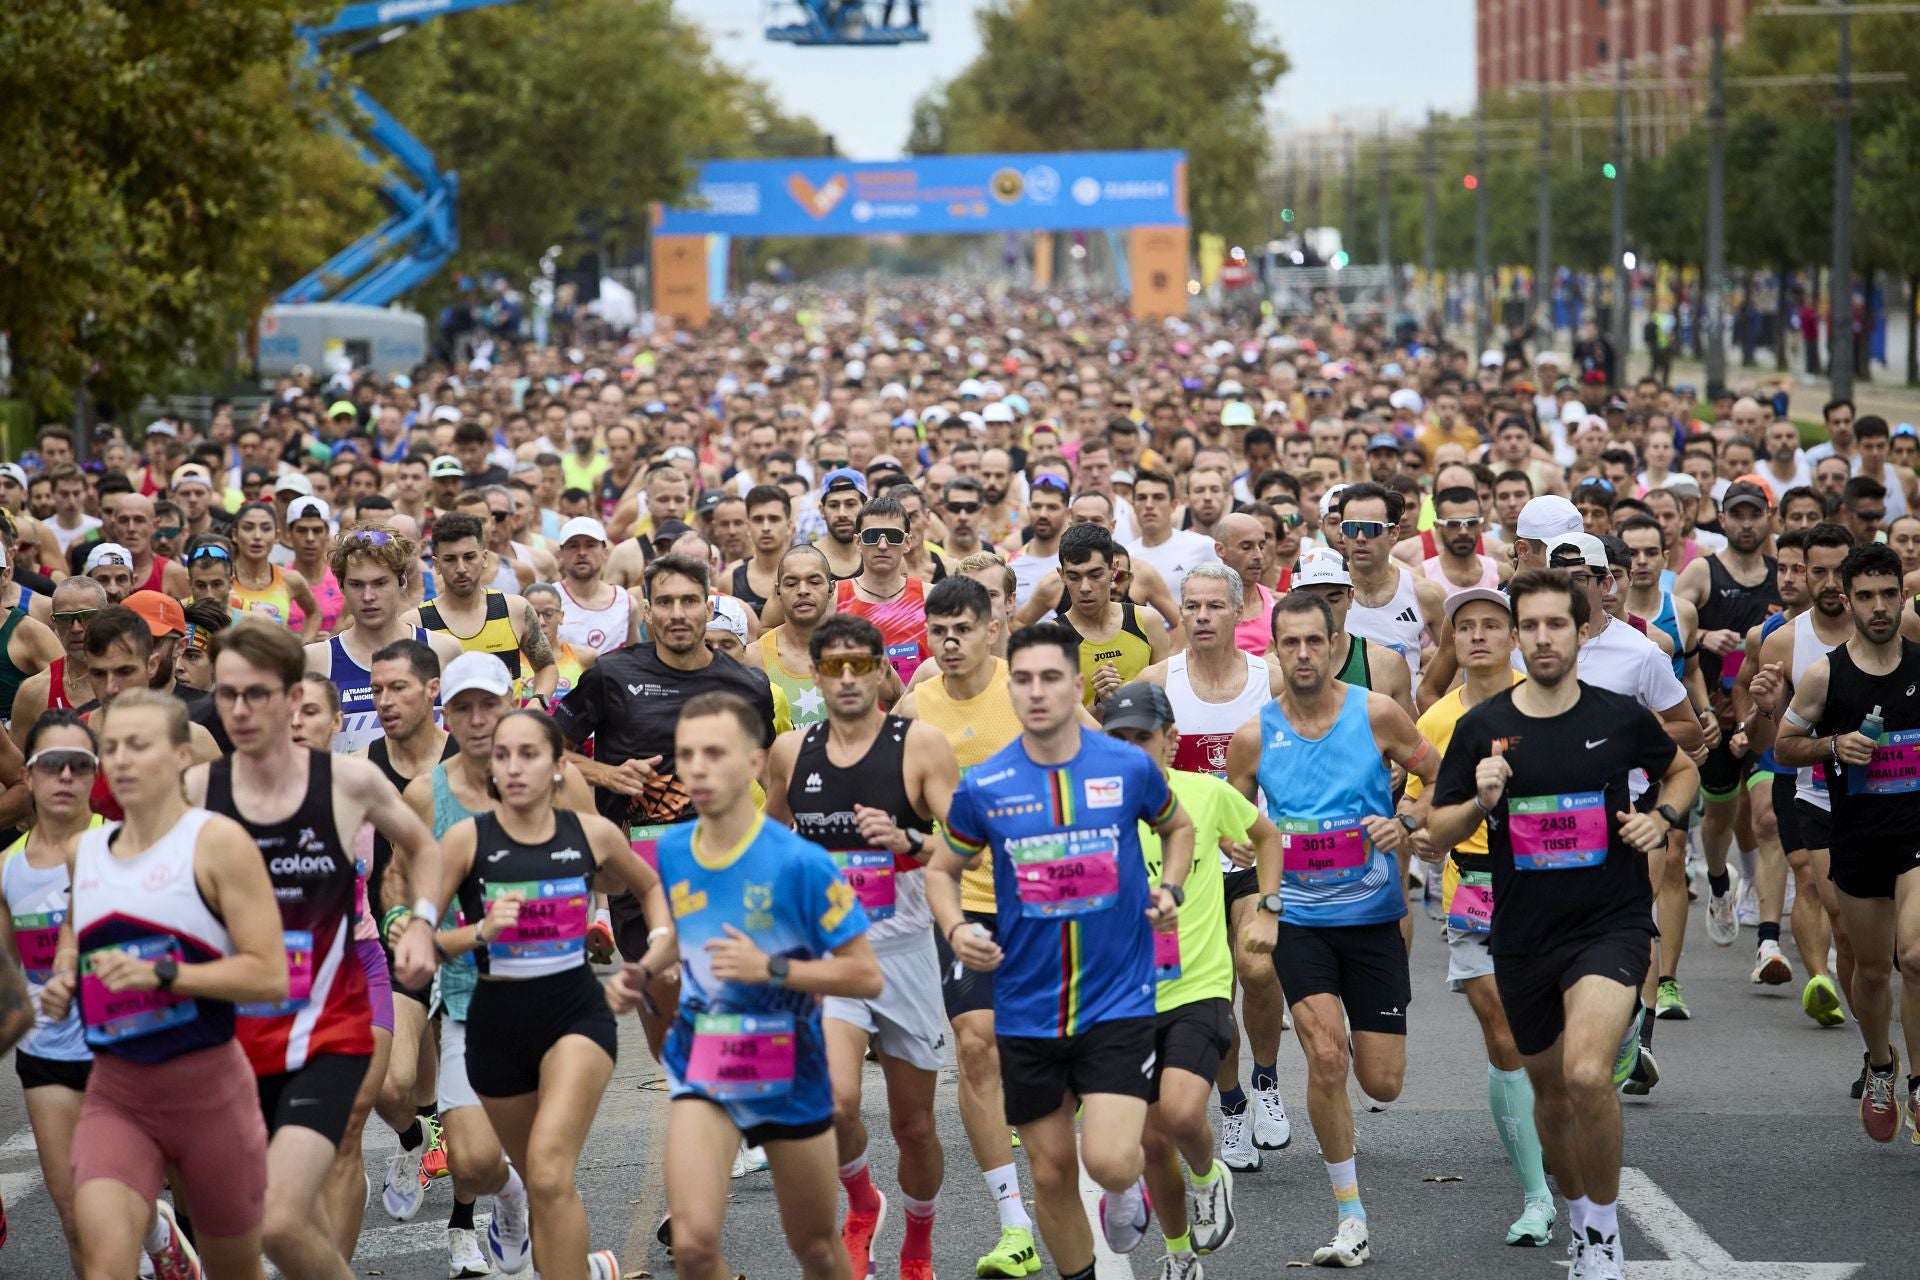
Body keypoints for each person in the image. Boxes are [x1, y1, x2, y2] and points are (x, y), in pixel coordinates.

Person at [1428, 569, 1699, 1280]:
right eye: (1532, 626)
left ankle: (1605, 1236)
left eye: (1558, 624)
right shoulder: (1481, 730)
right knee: (1549, 1092)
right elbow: (1433, 830)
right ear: (1518, 637)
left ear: (1582, 631)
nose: (1544, 638)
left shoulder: (1616, 714)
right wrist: (1479, 801)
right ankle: (1577, 1214)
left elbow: (1682, 770)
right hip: (1521, 933)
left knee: (1585, 1074)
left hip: (1610, 923)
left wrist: (1662, 818)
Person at [926, 621, 1192, 1280]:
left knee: (1107, 1160)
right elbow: (940, 869)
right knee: (1049, 1170)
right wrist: (957, 928)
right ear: (1009, 688)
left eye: (1051, 678)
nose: (1037, 692)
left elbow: (1177, 825)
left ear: (1077, 685)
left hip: (1118, 998)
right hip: (1025, 1006)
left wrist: (1172, 887)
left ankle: (1127, 1187)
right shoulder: (984, 785)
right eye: (1023, 679)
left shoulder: (1127, 764)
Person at [187, 620, 445, 1280]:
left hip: (344, 987)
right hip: (241, 1000)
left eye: (259, 695)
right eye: (226, 695)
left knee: (344, 1138)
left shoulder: (351, 784)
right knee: (236, 1193)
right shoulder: (197, 792)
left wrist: (418, 923)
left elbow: (423, 846)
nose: (240, 711)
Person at [44, 690, 288, 1280]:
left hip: (210, 1095)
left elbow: (269, 973)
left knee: (236, 1269)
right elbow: (78, 933)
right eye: (111, 748)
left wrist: (167, 974)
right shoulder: (84, 850)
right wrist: (63, 974)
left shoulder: (218, 844)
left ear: (182, 755)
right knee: (104, 1262)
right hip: (117, 1094)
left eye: (139, 745)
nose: (121, 760)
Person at [1226, 590, 1434, 1267]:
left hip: (1372, 919)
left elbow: (1440, 779)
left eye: (1315, 641)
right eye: (1291, 644)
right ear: (1276, 651)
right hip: (1301, 920)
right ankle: (1351, 1214)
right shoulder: (1255, 734)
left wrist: (1403, 820)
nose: (1304, 654)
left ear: (1335, 642)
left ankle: (1347, 1053)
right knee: (1325, 1057)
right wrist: (1243, 851)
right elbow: (1237, 818)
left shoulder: (1376, 714)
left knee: (1382, 1082)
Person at [655, 691, 884, 1280]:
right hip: (705, 1060)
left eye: (715, 752)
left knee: (814, 1248)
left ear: (756, 763)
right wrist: (649, 963)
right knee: (694, 1245)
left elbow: (864, 974)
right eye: (687, 755)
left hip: (789, 1068)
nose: (698, 768)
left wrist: (772, 969)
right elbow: (693, 932)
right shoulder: (674, 850)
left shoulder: (800, 862)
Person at [437, 709, 673, 1280]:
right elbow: (427, 934)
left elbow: (649, 887)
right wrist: (477, 934)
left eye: (530, 754)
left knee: (546, 1170)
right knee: (540, 1181)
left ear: (558, 764)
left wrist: (655, 952)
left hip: (575, 1015)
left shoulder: (590, 834)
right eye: (503, 755)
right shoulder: (466, 841)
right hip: (492, 1023)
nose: (515, 767)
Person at [765, 614, 960, 1280]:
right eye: (833, 666)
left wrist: (908, 843)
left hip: (906, 951)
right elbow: (770, 846)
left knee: (916, 1128)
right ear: (815, 675)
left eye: (860, 665)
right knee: (838, 1102)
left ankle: (918, 1244)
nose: (847, 678)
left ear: (882, 669)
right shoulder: (791, 753)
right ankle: (859, 1203)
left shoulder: (922, 746)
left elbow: (964, 850)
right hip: (832, 957)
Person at [405, 652, 595, 1278]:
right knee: (476, 1164)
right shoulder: (426, 795)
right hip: (469, 995)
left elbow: (598, 857)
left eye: (490, 704)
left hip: (556, 993)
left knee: (549, 1164)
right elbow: (412, 891)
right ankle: (505, 1197)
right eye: (464, 708)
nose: (479, 719)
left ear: (511, 703)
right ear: (447, 715)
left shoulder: (564, 782)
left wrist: (596, 921)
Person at [892, 576, 1045, 1277]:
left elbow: (1116, 769)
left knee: (1056, 1055)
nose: (950, 643)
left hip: (1048, 900)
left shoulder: (1032, 687)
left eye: (963, 629)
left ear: (993, 627)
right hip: (958, 903)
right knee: (976, 1048)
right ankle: (1013, 1223)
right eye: (938, 630)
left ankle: (1111, 1181)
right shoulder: (914, 705)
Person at [550, 553, 774, 1028]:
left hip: (722, 867)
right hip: (641, 872)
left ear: (708, 606)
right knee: (665, 1007)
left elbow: (770, 776)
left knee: (718, 997)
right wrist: (606, 775)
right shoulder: (613, 675)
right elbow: (550, 753)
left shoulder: (748, 685)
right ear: (647, 611)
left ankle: (707, 1093)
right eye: (665, 602)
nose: (677, 614)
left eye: (689, 601)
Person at [1103, 679, 1280, 1278]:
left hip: (1197, 984)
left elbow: (1265, 836)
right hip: (1122, 996)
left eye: (1141, 738)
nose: (1130, 750)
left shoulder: (1204, 795)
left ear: (1170, 741)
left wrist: (1271, 906)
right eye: (1116, 739)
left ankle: (1208, 1176)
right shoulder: (1092, 806)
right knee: (1151, 1144)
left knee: (1180, 1116)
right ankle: (1179, 1257)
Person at [1402, 587, 1558, 1247]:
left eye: (1493, 625)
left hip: (1552, 878)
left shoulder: (1550, 699)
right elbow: (1416, 800)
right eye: (1465, 627)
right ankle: (1538, 1194)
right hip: (1472, 882)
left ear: (1515, 636)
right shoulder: (1437, 719)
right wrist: (1413, 827)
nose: (1479, 636)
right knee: (1502, 1031)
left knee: (1565, 1028)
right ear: (1451, 641)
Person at [1138, 563, 1291, 1171]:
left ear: (1238, 613)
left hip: (1252, 846)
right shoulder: (1157, 681)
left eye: (1213, 607)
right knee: (1212, 990)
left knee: (1257, 967)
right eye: (1192, 606)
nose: (1201, 617)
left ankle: (1267, 1081)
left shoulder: (1270, 679)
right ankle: (1229, 1107)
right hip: (1188, 856)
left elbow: (1296, 752)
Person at [1771, 542, 1920, 1142]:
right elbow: (1784, 747)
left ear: (1904, 596)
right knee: (1873, 970)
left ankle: (1919, 1085)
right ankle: (1880, 1064)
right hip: (1855, 835)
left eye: (1890, 594)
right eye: (1867, 596)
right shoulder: (1824, 674)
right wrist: (1834, 745)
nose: (1879, 607)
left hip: (1916, 834)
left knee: (1914, 955)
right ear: (1848, 600)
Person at [358, 639, 459, 1224]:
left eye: (398, 687)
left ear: (431, 689)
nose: (385, 701)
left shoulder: (466, 758)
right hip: (391, 935)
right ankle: (411, 1140)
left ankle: (488, 1192)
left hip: (468, 937)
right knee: (389, 1087)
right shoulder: (364, 765)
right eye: (376, 690)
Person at [1742, 524, 1856, 1034]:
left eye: (1840, 570)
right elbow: (1770, 745)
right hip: (1812, 785)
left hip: (1889, 790)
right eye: (1819, 571)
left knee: (1863, 922)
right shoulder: (1785, 641)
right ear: (1801, 573)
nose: (1832, 582)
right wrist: (1768, 709)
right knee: (1815, 886)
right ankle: (1820, 980)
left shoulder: (1885, 626)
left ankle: (1862, 990)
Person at [1673, 480, 1781, 965]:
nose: (1745, 523)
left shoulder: (1783, 577)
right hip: (1714, 715)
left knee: (1767, 816)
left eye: (1754, 514)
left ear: (1767, 519)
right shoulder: (1703, 571)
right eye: (1736, 515)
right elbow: (1674, 628)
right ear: (1722, 519)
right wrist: (1706, 633)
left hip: (1766, 717)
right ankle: (1720, 882)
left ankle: (1768, 936)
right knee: (1718, 816)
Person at [309, 525, 463, 753]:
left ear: (402, 581)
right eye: (356, 584)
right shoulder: (317, 659)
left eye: (380, 583)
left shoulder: (443, 651)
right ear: (341, 585)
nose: (368, 597)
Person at [419, 513, 558, 706]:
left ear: (484, 558)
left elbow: (546, 666)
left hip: (508, 733)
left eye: (469, 557)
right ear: (436, 565)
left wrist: (538, 700)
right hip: (447, 735)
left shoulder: (515, 609)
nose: (461, 568)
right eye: (450, 559)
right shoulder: (417, 622)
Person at [1336, 483, 1446, 686]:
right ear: (1342, 533)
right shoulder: (1326, 593)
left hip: (1406, 714)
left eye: (1371, 529)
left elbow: (1455, 656)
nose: (1360, 538)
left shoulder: (1425, 593)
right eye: (1351, 528)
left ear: (1394, 533)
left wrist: (1426, 691)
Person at [1053, 523, 1169, 708]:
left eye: (1095, 575)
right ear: (1062, 575)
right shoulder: (1051, 639)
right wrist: (1101, 704)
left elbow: (1167, 703)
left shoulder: (1148, 622)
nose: (1085, 588)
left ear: (1114, 570)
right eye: (1074, 577)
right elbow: (1058, 725)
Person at [833, 495, 931, 687]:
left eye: (892, 536)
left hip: (920, 713)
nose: (883, 545)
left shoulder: (931, 598)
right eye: (872, 536)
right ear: (858, 542)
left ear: (907, 542)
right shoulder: (834, 597)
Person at [759, 546, 835, 730]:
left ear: (831, 589)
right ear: (778, 591)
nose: (803, 591)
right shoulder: (754, 658)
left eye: (814, 582)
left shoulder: (858, 652)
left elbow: (898, 702)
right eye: (791, 584)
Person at [231, 501, 322, 638]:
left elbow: (314, 612)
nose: (257, 536)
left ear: (277, 536)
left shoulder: (290, 579)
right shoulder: (222, 579)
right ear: (235, 535)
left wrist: (304, 647)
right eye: (248, 528)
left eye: (266, 528)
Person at [1127, 469, 1219, 603]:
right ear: (1133, 506)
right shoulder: (1127, 556)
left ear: (1174, 505)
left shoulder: (1203, 546)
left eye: (1158, 497)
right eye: (1142, 498)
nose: (1149, 505)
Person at [553, 516, 637, 655]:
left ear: (604, 552)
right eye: (573, 546)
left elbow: (635, 658)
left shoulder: (626, 603)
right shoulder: (549, 600)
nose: (582, 553)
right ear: (561, 554)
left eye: (590, 545)